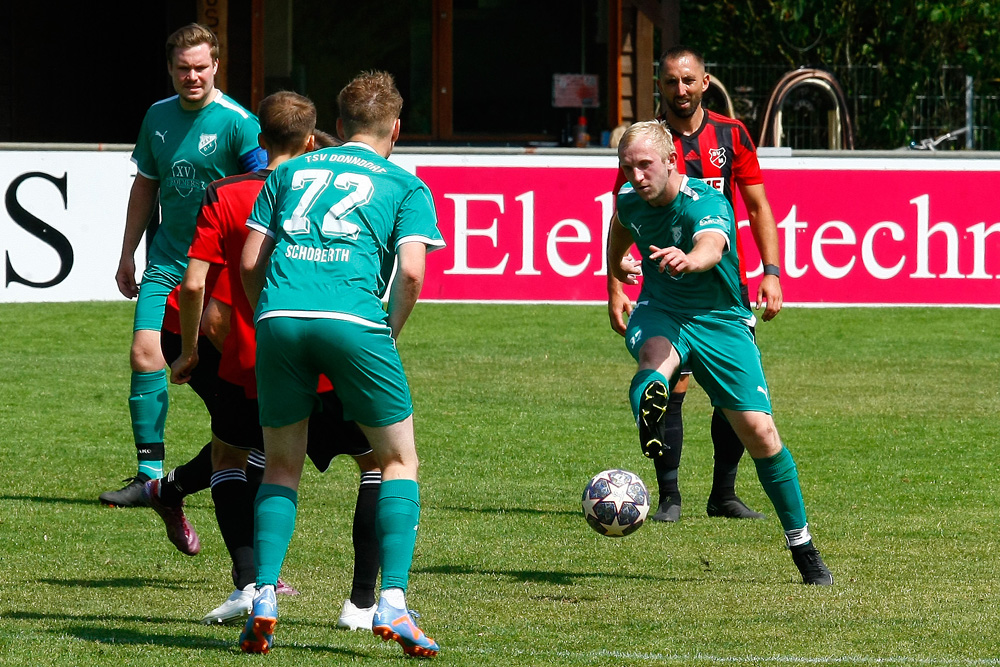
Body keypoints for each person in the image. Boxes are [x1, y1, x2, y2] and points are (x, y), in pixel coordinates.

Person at [238, 71, 444, 657]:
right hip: (354, 321)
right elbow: (409, 272)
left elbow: (252, 256)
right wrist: (389, 335)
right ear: (395, 129)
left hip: (279, 317)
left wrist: (266, 316)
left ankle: (264, 597)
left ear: (340, 121)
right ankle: (394, 603)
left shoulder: (289, 171)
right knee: (398, 461)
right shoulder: (405, 186)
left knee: (280, 467)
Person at [157, 97, 381, 629]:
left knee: (232, 458)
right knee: (377, 464)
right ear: (312, 140)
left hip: (249, 357)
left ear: (258, 135)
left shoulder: (227, 193)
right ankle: (362, 602)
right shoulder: (329, 187)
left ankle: (250, 583)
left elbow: (193, 284)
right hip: (329, 357)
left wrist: (190, 351)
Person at [609, 120, 832, 586]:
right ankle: (650, 420)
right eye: (627, 167)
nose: (635, 177)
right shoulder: (630, 201)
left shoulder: (707, 201)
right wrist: (617, 273)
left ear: (671, 161)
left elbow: (712, 244)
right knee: (654, 356)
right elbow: (618, 232)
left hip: (720, 321)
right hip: (661, 310)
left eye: (645, 165)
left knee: (762, 435)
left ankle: (802, 544)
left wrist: (691, 259)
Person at [609, 45, 783, 523]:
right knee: (671, 382)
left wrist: (771, 271)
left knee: (732, 397)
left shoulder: (731, 134)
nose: (680, 89)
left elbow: (757, 206)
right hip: (666, 287)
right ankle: (668, 496)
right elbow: (621, 217)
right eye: (670, 81)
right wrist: (616, 287)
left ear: (705, 82)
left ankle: (723, 494)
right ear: (658, 86)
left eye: (688, 80)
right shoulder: (645, 145)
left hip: (722, 281)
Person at [101, 23, 267, 507]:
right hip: (167, 261)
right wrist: (127, 251)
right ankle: (147, 473)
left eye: (200, 67)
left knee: (226, 375)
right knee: (143, 354)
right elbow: (145, 186)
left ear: (216, 65)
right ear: (170, 69)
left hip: (218, 270)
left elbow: (263, 189)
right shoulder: (156, 117)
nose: (191, 76)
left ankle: (243, 452)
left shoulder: (239, 122)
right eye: (182, 68)